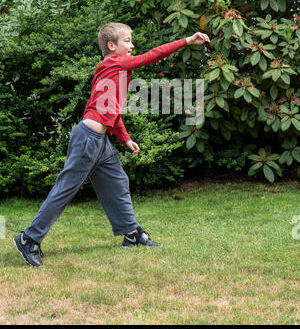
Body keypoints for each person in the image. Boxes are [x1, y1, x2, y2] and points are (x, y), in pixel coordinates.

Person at [14, 22, 210, 266]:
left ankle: (132, 233)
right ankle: (29, 238)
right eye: (127, 41)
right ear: (111, 46)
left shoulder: (116, 72)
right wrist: (187, 41)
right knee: (66, 188)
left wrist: (125, 139)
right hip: (88, 138)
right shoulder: (113, 63)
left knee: (118, 181)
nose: (132, 45)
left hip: (99, 140)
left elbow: (111, 110)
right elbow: (152, 56)